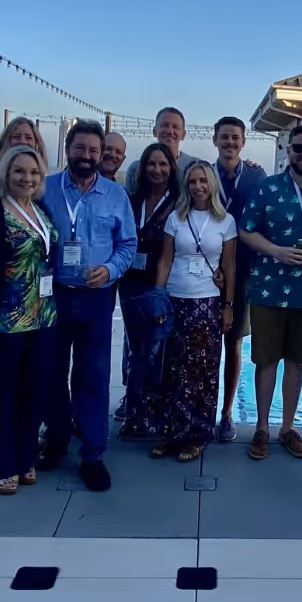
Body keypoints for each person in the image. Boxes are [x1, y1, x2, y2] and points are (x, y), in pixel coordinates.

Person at [39, 121, 137, 491]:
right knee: (52, 373)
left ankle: (92, 454)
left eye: (94, 151)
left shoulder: (115, 195)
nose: (88, 156)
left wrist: (110, 269)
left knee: (92, 376)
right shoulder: (45, 188)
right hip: (54, 295)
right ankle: (57, 440)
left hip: (97, 297)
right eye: (81, 149)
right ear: (68, 149)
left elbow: (128, 244)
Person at [239, 124, 302, 461]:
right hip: (267, 290)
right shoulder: (267, 189)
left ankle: (287, 428)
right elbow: (245, 231)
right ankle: (262, 428)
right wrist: (276, 251)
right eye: (298, 148)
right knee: (266, 361)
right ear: (288, 151)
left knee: (297, 364)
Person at [0, 146, 60, 495]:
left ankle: (25, 458)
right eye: (19, 171)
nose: (27, 178)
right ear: (6, 173)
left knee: (33, 389)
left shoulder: (41, 210)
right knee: (3, 391)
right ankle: (0, 463)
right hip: (6, 320)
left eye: (34, 173)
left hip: (43, 316)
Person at [147, 162, 237, 460]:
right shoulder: (176, 218)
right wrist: (160, 297)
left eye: (203, 181)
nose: (198, 186)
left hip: (207, 302)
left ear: (211, 184)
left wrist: (227, 306)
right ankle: (171, 433)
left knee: (202, 371)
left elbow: (229, 268)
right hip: (176, 300)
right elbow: (165, 260)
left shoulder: (226, 221)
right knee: (171, 369)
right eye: (192, 181)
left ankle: (197, 435)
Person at [118, 144, 180, 439]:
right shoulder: (131, 200)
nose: (157, 169)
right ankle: (134, 414)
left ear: (171, 168)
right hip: (131, 283)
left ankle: (156, 414)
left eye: (163, 164)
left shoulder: (180, 202)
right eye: (151, 164)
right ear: (142, 168)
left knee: (157, 351)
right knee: (136, 351)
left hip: (162, 284)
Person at [213, 116, 267, 440]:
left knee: (233, 343)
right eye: (225, 137)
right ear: (215, 140)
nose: (230, 143)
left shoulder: (256, 176)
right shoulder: (204, 175)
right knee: (202, 343)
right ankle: (200, 408)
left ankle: (227, 413)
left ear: (243, 142)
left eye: (235, 138)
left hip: (244, 271)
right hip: (207, 269)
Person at [123, 107, 200, 189]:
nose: (170, 131)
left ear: (183, 135)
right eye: (164, 125)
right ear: (154, 131)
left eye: (175, 127)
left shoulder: (195, 166)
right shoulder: (136, 169)